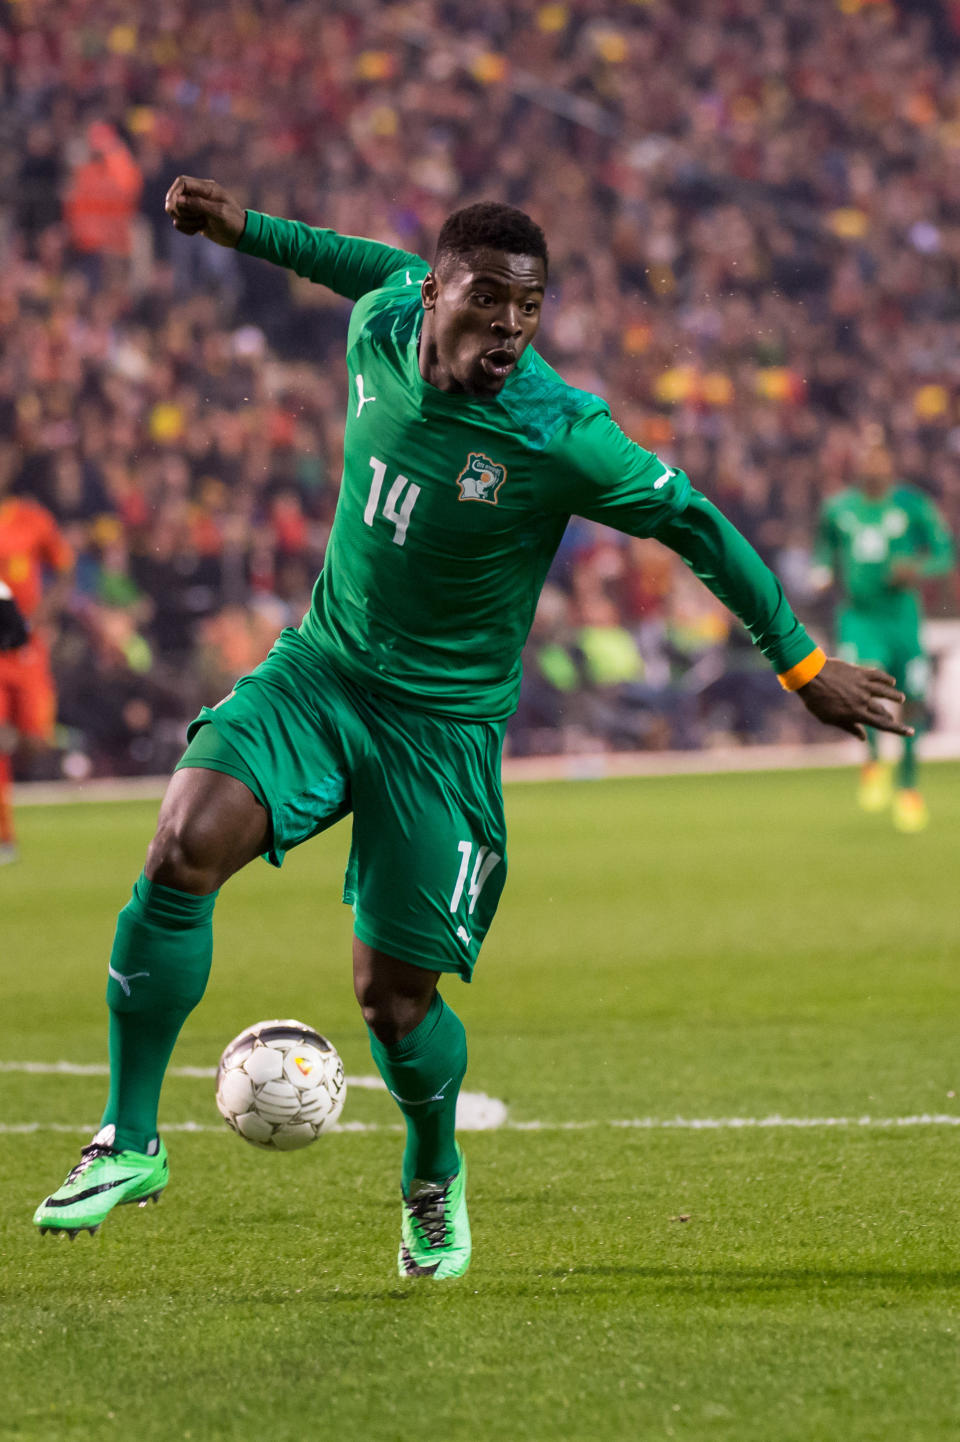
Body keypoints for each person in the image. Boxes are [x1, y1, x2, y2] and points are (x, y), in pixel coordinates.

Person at [34, 178, 911, 1275]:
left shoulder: (560, 433)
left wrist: (804, 663)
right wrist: (242, 228)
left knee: (393, 999)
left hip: (440, 732)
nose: (510, 324)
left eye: (530, 307)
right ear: (437, 288)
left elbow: (693, 521)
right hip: (321, 670)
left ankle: (433, 1171)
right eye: (487, 297)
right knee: (180, 842)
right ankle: (130, 1137)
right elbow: (351, 260)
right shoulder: (385, 313)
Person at [812, 429, 955, 832]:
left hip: (903, 620)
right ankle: (873, 759)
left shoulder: (912, 505)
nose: (873, 465)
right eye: (866, 458)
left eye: (879, 458)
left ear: (890, 463)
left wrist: (919, 570)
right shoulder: (838, 508)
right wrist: (821, 570)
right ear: (858, 464)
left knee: (912, 702)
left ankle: (909, 786)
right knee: (864, 686)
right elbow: (824, 547)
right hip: (860, 617)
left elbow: (944, 553)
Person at [0, 485, 74, 863]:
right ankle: (3, 834)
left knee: (35, 737)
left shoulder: (30, 517)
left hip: (26, 646)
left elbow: (64, 565)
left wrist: (45, 613)